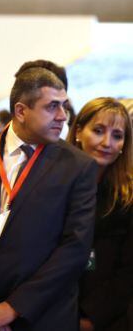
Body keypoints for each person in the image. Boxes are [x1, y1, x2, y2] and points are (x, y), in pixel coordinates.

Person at [0, 63, 97, 331]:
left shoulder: (78, 166)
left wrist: (13, 308)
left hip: (41, 317)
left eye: (64, 106)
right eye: (52, 107)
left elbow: (75, 249)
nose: (63, 116)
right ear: (21, 111)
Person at [67, 98, 133, 331]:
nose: (107, 143)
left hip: (106, 318)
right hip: (50, 310)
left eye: (117, 135)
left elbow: (128, 272)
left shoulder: (127, 198)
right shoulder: (50, 186)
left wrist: (92, 319)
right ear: (77, 132)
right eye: (98, 131)